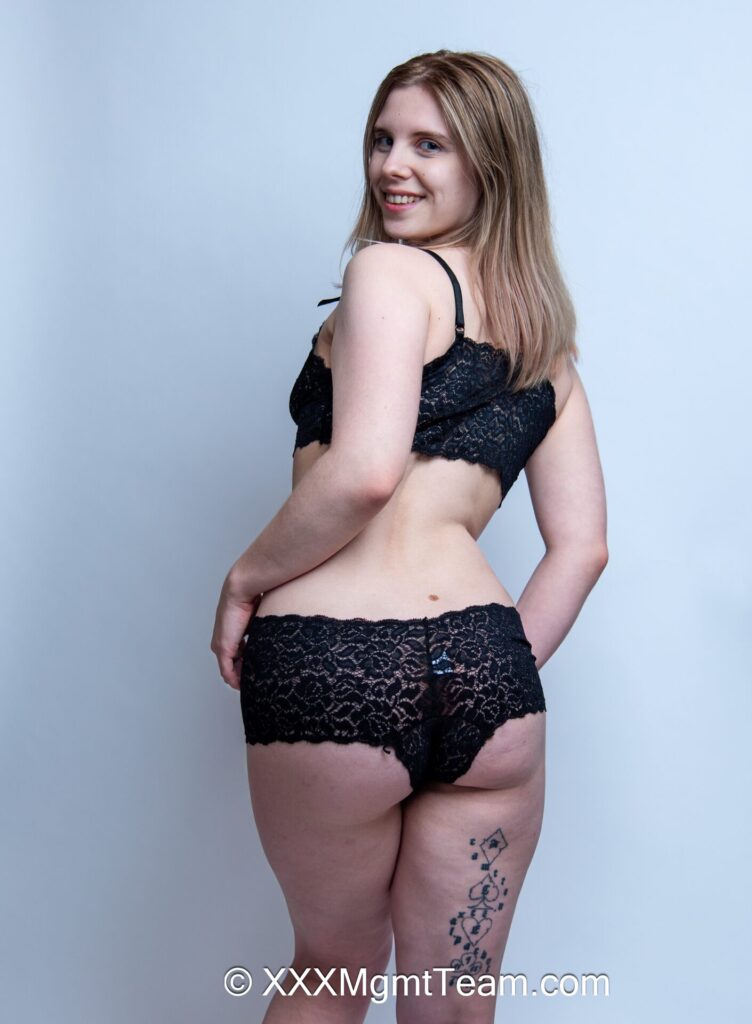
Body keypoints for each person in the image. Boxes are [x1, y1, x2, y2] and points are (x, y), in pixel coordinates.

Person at [211, 49, 608, 1024]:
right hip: (487, 679)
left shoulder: (388, 272)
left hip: (332, 666)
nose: (392, 165)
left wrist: (243, 580)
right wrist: (487, 672)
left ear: (491, 163)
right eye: (383, 139)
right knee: (453, 1001)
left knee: (331, 971)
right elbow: (583, 548)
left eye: (430, 145)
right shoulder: (546, 344)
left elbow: (364, 471)